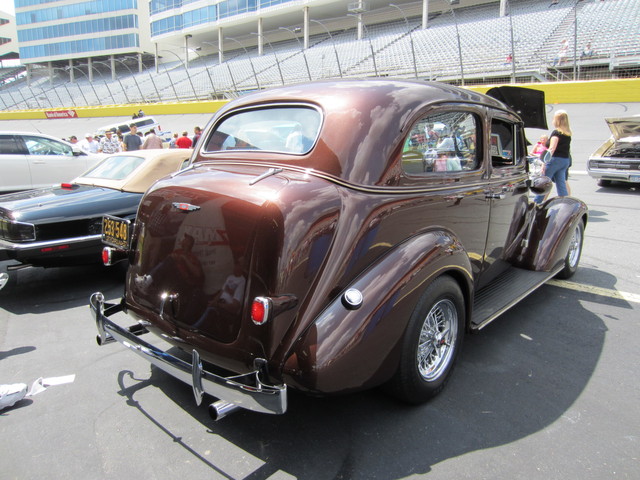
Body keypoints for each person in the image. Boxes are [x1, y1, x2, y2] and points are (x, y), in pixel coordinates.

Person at [535, 110, 572, 203]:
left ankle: (536, 203)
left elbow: (552, 149)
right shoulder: (568, 133)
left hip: (555, 160)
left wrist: (544, 162)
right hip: (565, 161)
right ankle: (564, 203)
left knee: (544, 183)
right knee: (561, 184)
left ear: (557, 120)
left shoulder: (556, 133)